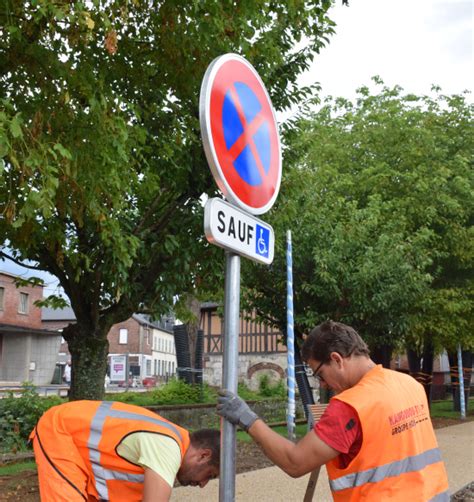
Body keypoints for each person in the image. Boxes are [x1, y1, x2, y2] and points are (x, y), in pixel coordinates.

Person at [217, 320, 449, 501]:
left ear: (337, 359)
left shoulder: (350, 406)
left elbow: (295, 462)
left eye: (319, 374)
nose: (324, 384)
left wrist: (246, 417)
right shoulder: (410, 384)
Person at [30, 400, 220, 501]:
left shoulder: (172, 443)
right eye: (209, 475)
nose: (203, 484)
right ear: (203, 455)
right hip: (60, 430)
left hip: (78, 444)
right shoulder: (167, 448)